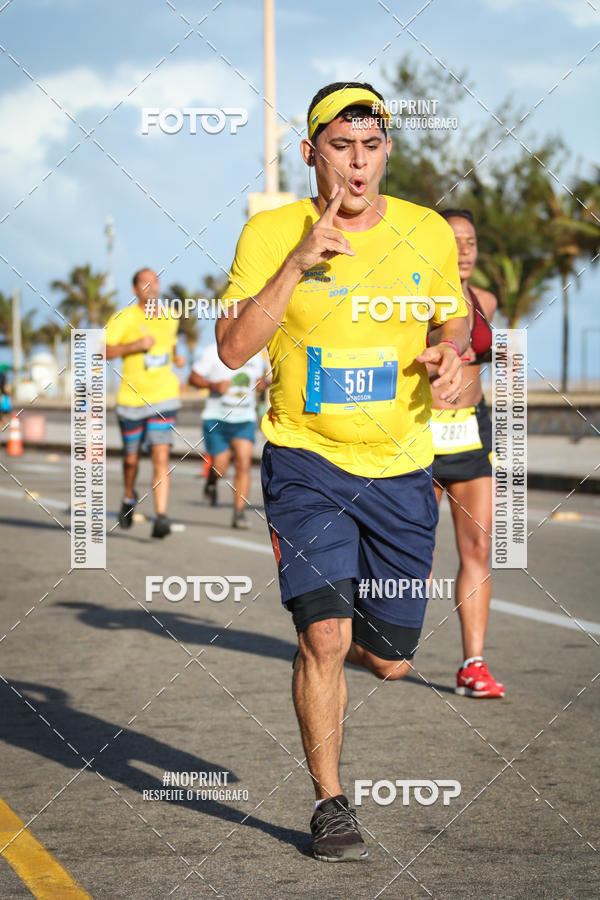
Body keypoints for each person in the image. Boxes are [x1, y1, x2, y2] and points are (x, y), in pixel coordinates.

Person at [216, 81, 469, 862]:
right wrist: (296, 262)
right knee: (322, 636)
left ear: (387, 149)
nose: (357, 165)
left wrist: (454, 358)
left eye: (370, 146)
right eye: (340, 147)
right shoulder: (270, 232)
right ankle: (330, 802)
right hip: (307, 460)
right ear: (311, 153)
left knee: (389, 659)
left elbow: (450, 316)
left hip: (400, 468)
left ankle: (361, 622)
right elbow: (230, 349)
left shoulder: (426, 232)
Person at [429, 209, 503, 698]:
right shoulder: (416, 299)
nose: (465, 248)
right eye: (454, 240)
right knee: (410, 554)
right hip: (419, 432)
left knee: (478, 549)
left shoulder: (487, 302)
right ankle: (379, 637)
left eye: (471, 240)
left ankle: (473, 664)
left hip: (471, 433)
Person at [105, 269, 186, 538]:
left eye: (156, 280)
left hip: (164, 397)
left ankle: (161, 516)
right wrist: (135, 345)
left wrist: (177, 358)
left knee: (160, 455)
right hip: (130, 399)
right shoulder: (123, 318)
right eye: (145, 282)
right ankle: (128, 497)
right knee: (130, 459)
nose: (152, 286)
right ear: (134, 289)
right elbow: (102, 350)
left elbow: (170, 346)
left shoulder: (171, 315)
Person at [188, 343, 269, 528]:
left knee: (243, 463)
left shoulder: (255, 355)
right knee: (220, 468)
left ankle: (239, 513)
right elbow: (193, 378)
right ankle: (212, 480)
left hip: (244, 419)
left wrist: (263, 383)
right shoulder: (211, 352)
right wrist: (214, 385)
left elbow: (260, 382)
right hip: (216, 418)